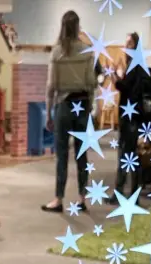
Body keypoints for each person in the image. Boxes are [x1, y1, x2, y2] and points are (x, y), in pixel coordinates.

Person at [41, 10, 97, 214]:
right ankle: (83, 198)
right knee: (82, 155)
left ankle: (58, 199)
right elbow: (91, 83)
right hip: (82, 105)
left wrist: (48, 113)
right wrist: (90, 107)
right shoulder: (87, 52)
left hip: (63, 106)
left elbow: (51, 87)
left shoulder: (56, 53)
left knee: (62, 155)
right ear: (78, 26)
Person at [110, 32, 151, 200]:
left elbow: (124, 87)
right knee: (131, 156)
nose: (125, 47)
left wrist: (114, 75)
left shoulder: (134, 67)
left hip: (130, 117)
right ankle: (131, 193)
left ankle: (120, 192)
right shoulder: (138, 66)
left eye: (129, 44)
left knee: (126, 155)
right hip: (135, 116)